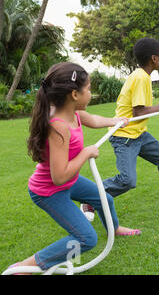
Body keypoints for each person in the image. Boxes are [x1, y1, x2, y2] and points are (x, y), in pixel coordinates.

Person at [8, 62, 141, 274]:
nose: (91, 92)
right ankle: (24, 267)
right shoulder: (59, 126)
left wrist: (117, 121)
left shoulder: (74, 114)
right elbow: (59, 176)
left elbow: (96, 119)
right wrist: (85, 153)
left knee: (104, 199)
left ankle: (114, 229)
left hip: (69, 181)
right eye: (88, 88)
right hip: (49, 191)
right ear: (74, 94)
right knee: (86, 239)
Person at [81, 38, 159, 221]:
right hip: (124, 137)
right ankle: (90, 198)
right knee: (127, 181)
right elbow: (138, 111)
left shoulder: (141, 75)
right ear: (153, 58)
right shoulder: (141, 77)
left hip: (139, 134)